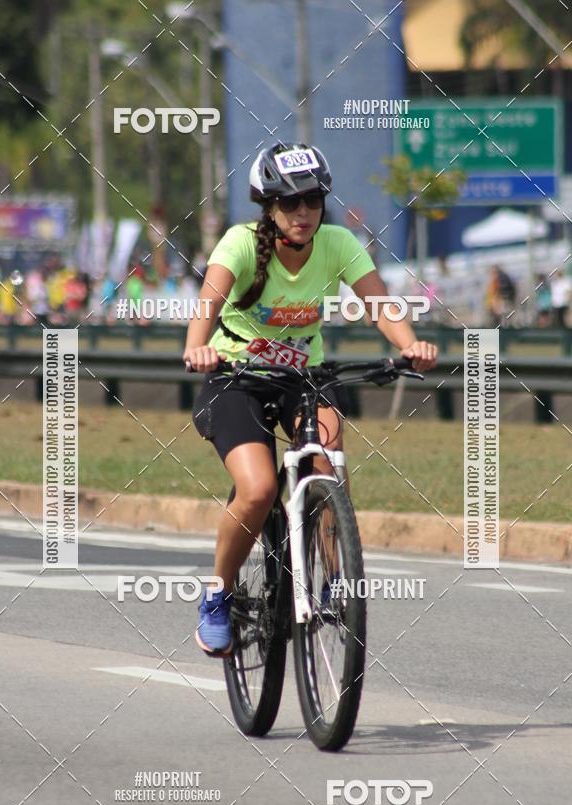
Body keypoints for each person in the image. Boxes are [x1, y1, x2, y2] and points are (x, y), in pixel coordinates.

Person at [183, 141, 438, 656]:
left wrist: (409, 344)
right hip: (236, 379)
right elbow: (206, 304)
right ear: (269, 208)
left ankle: (332, 581)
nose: (304, 213)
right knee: (255, 492)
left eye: (313, 202)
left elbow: (380, 305)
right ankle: (218, 595)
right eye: (291, 203)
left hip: (306, 378)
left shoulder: (339, 243)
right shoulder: (237, 243)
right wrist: (197, 348)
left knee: (326, 467)